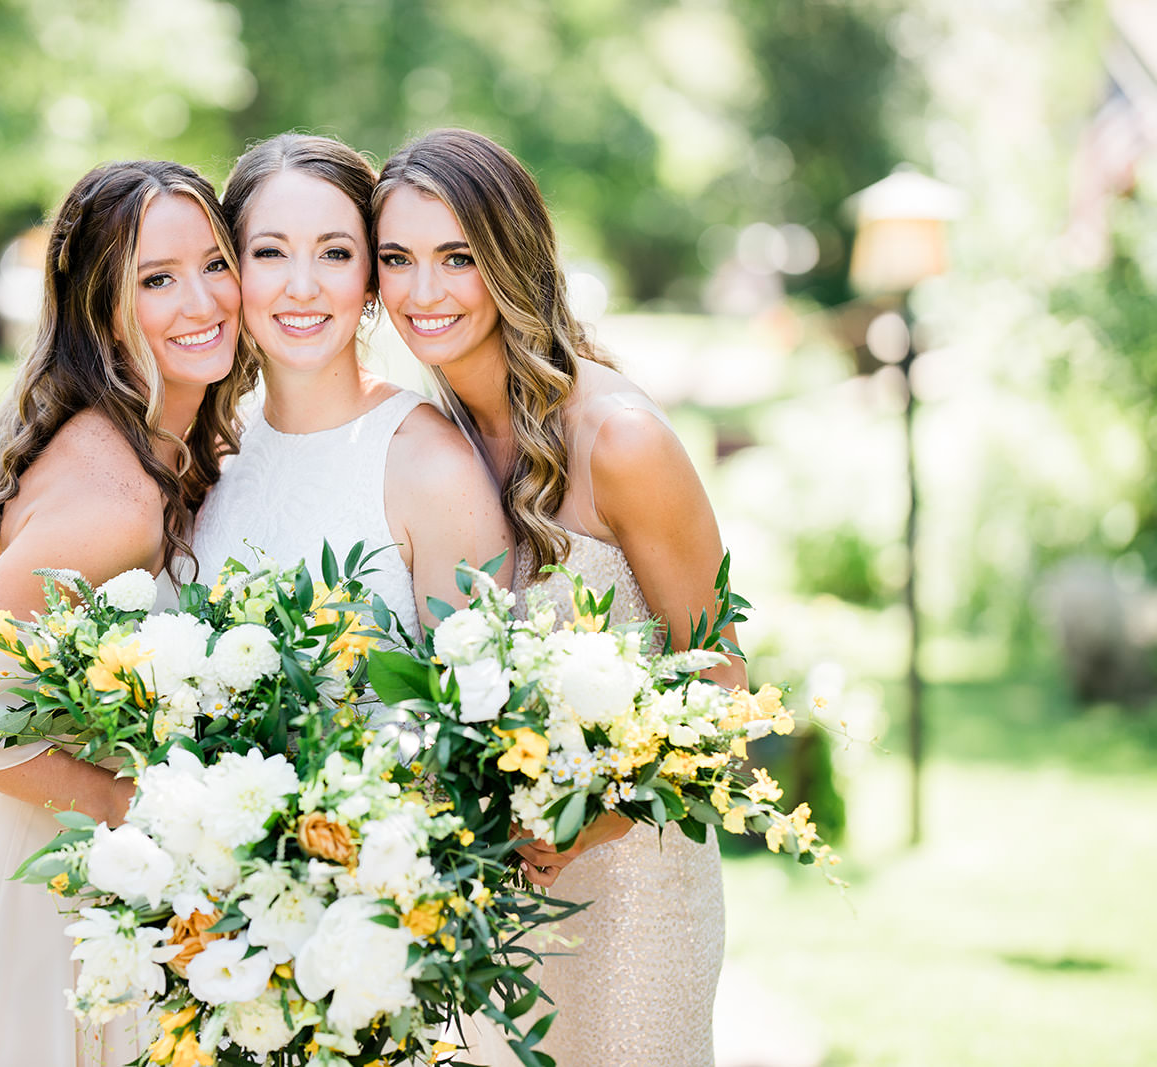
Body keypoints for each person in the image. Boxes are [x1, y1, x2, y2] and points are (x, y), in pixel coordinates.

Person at [0, 160, 252, 1066]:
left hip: (64, 886)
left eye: (215, 264)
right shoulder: (118, 498)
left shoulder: (167, 446)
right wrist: (133, 803)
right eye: (156, 279)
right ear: (102, 311)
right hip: (13, 908)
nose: (201, 300)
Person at [374, 127, 746, 1067]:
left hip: (633, 895)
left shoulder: (620, 439)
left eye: (457, 257)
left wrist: (586, 822)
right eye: (397, 259)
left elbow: (726, 685)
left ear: (512, 257)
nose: (424, 292)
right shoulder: (430, 438)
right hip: (487, 900)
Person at [191, 133, 508, 636]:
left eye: (334, 254)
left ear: (371, 278)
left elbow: (473, 705)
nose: (301, 287)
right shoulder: (217, 447)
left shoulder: (435, 469)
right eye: (270, 252)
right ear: (234, 270)